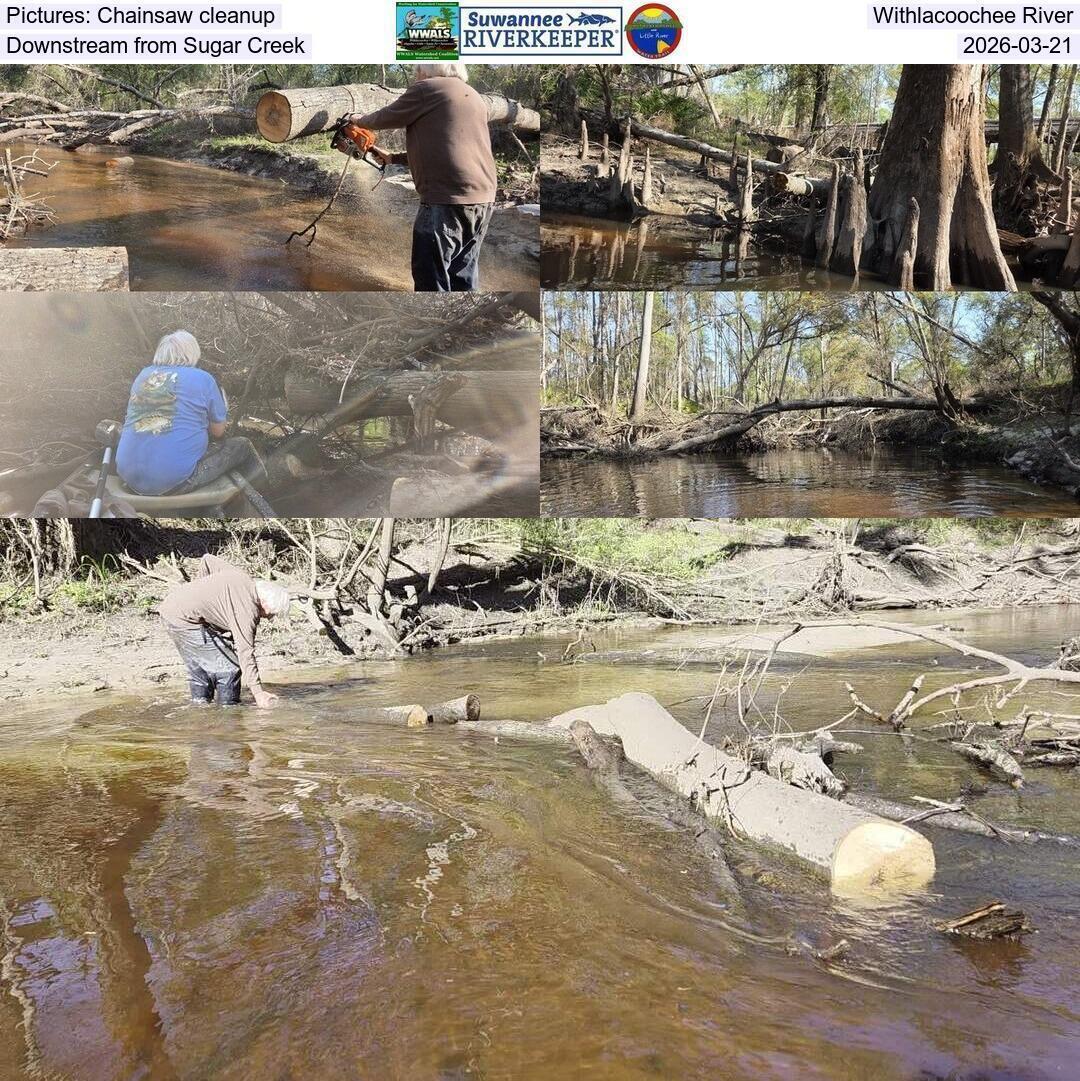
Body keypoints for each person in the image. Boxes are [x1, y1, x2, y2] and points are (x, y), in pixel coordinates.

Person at [351, 62, 498, 292]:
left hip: (446, 199)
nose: (415, 76)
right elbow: (448, 146)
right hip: (483, 198)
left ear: (426, 70)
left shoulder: (427, 88)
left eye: (416, 71)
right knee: (462, 275)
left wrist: (357, 119)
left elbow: (385, 118)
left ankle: (441, 325)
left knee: (430, 278)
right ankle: (461, 324)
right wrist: (393, 158)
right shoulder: (474, 96)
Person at [115, 330, 264, 497]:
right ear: (193, 353)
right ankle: (268, 493)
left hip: (128, 477)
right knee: (242, 445)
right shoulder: (203, 379)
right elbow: (218, 432)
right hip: (170, 483)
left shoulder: (143, 375)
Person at [160, 554, 290, 707]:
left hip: (170, 608)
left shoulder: (241, 578)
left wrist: (201, 594)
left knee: (201, 668)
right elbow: (245, 652)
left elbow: (207, 560)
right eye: (271, 614)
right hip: (185, 620)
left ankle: (200, 709)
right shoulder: (247, 610)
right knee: (230, 670)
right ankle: (228, 714)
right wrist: (258, 693)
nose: (268, 618)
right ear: (265, 603)